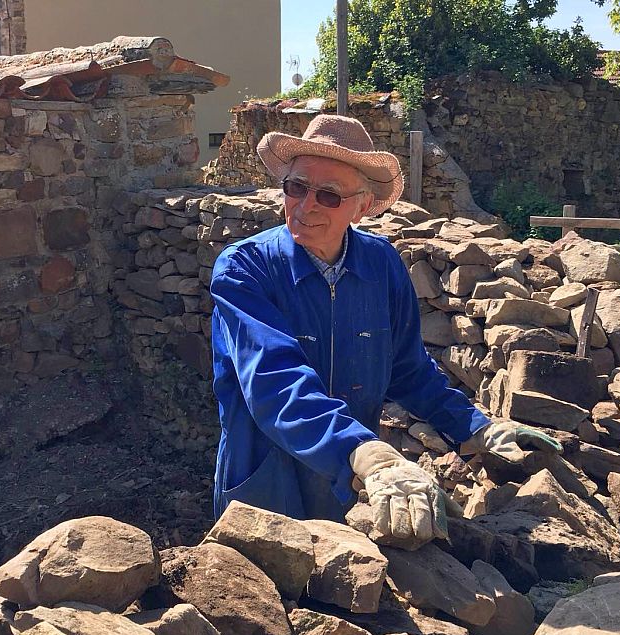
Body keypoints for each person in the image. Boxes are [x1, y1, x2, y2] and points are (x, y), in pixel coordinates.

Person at [209, 114, 559, 547]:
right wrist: (370, 455)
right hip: (267, 478)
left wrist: (477, 428)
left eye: (328, 195)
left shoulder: (381, 264)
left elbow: (407, 369)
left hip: (345, 478)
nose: (305, 204)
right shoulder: (246, 268)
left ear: (362, 205)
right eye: (296, 187)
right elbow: (274, 382)